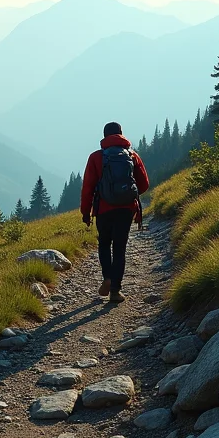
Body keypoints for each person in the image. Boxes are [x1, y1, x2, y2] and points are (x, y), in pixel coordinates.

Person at [80, 122, 149, 303]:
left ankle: (107, 278)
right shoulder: (132, 156)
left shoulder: (96, 157)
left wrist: (86, 213)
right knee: (119, 248)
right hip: (126, 209)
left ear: (104, 137)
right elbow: (144, 184)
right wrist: (126, 195)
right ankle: (116, 291)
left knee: (104, 244)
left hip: (103, 209)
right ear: (121, 135)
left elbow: (87, 187)